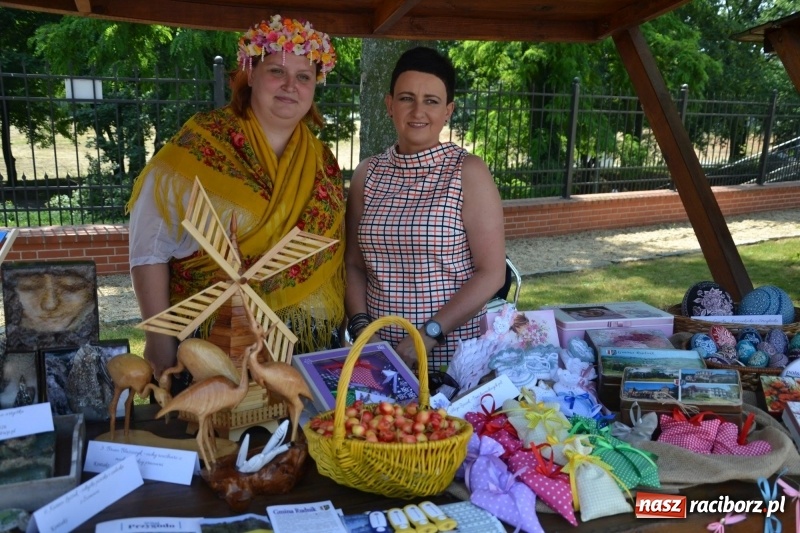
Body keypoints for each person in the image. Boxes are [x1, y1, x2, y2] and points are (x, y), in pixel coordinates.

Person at [127, 15, 345, 381]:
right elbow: (150, 246)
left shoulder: (323, 161)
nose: (290, 86)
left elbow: (333, 253)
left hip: (308, 344)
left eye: (304, 77)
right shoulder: (199, 146)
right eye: (277, 71)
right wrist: (159, 340)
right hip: (214, 339)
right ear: (251, 74)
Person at [344, 46, 507, 371]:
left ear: (448, 110)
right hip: (378, 358)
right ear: (390, 105)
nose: (418, 111)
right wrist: (363, 329)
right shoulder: (367, 174)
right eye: (407, 98)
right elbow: (353, 265)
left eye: (431, 101)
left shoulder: (467, 171)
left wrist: (428, 335)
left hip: (450, 359)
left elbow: (491, 273)